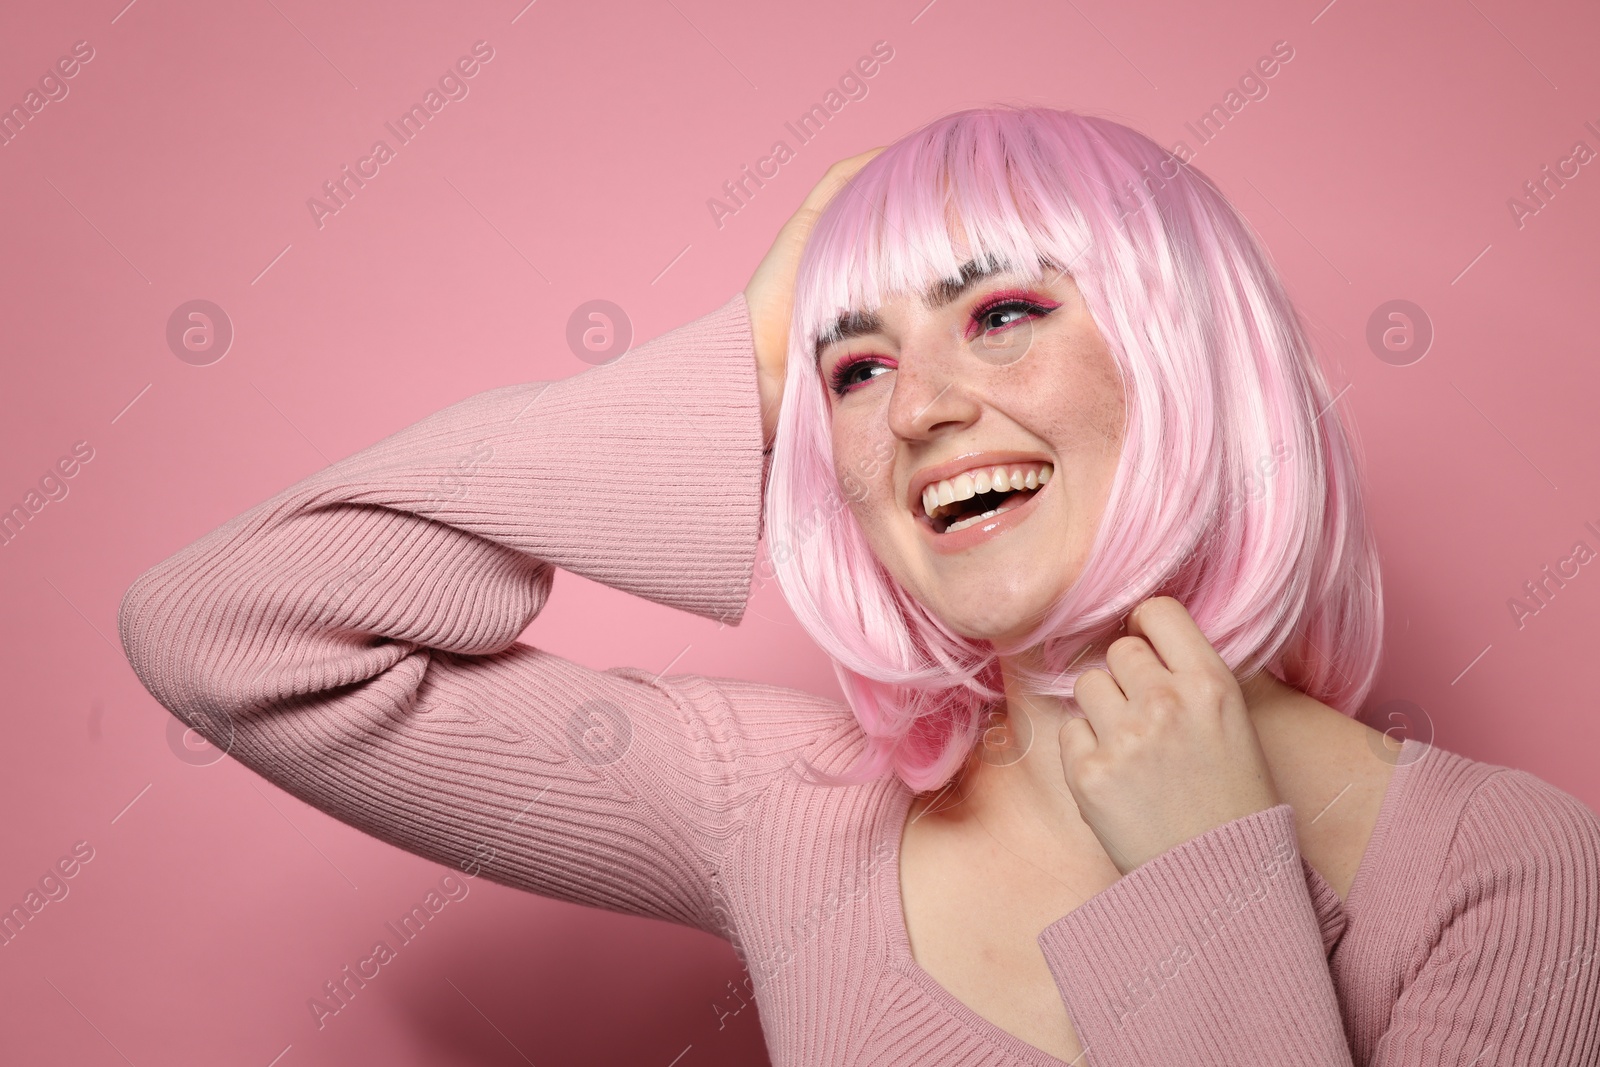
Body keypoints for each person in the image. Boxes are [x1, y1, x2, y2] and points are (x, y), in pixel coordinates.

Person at [118, 106, 1600, 1065]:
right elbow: (230, 629)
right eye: (861, 365)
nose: (914, 412)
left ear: (1185, 346)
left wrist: (1208, 879)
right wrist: (754, 355)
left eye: (1005, 314)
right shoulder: (796, 809)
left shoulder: (1505, 876)